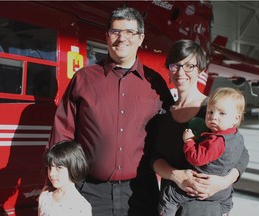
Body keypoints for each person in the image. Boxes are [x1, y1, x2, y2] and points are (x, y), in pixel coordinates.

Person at [47, 7, 174, 216]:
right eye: (115, 31)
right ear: (106, 36)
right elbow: (63, 134)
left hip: (140, 192)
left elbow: (172, 134)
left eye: (129, 32)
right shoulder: (84, 79)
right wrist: (55, 182)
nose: (121, 38)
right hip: (88, 189)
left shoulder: (156, 85)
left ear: (141, 38)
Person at [152, 39, 249, 216]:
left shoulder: (212, 110)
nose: (181, 72)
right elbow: (155, 158)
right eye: (175, 65)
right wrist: (175, 175)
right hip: (171, 207)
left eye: (189, 66)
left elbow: (241, 153)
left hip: (205, 208)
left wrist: (223, 182)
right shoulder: (163, 115)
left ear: (200, 70)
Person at [158, 87, 247, 216]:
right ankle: (225, 209)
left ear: (236, 119)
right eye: (210, 112)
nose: (213, 117)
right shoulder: (236, 136)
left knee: (171, 193)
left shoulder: (216, 140)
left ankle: (166, 213)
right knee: (227, 197)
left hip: (198, 185)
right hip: (222, 192)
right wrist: (225, 182)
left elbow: (195, 158)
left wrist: (189, 141)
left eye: (222, 113)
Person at [38, 141, 91, 216]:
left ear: (74, 168)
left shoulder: (82, 207)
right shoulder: (45, 198)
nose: (51, 173)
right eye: (50, 167)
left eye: (59, 167)